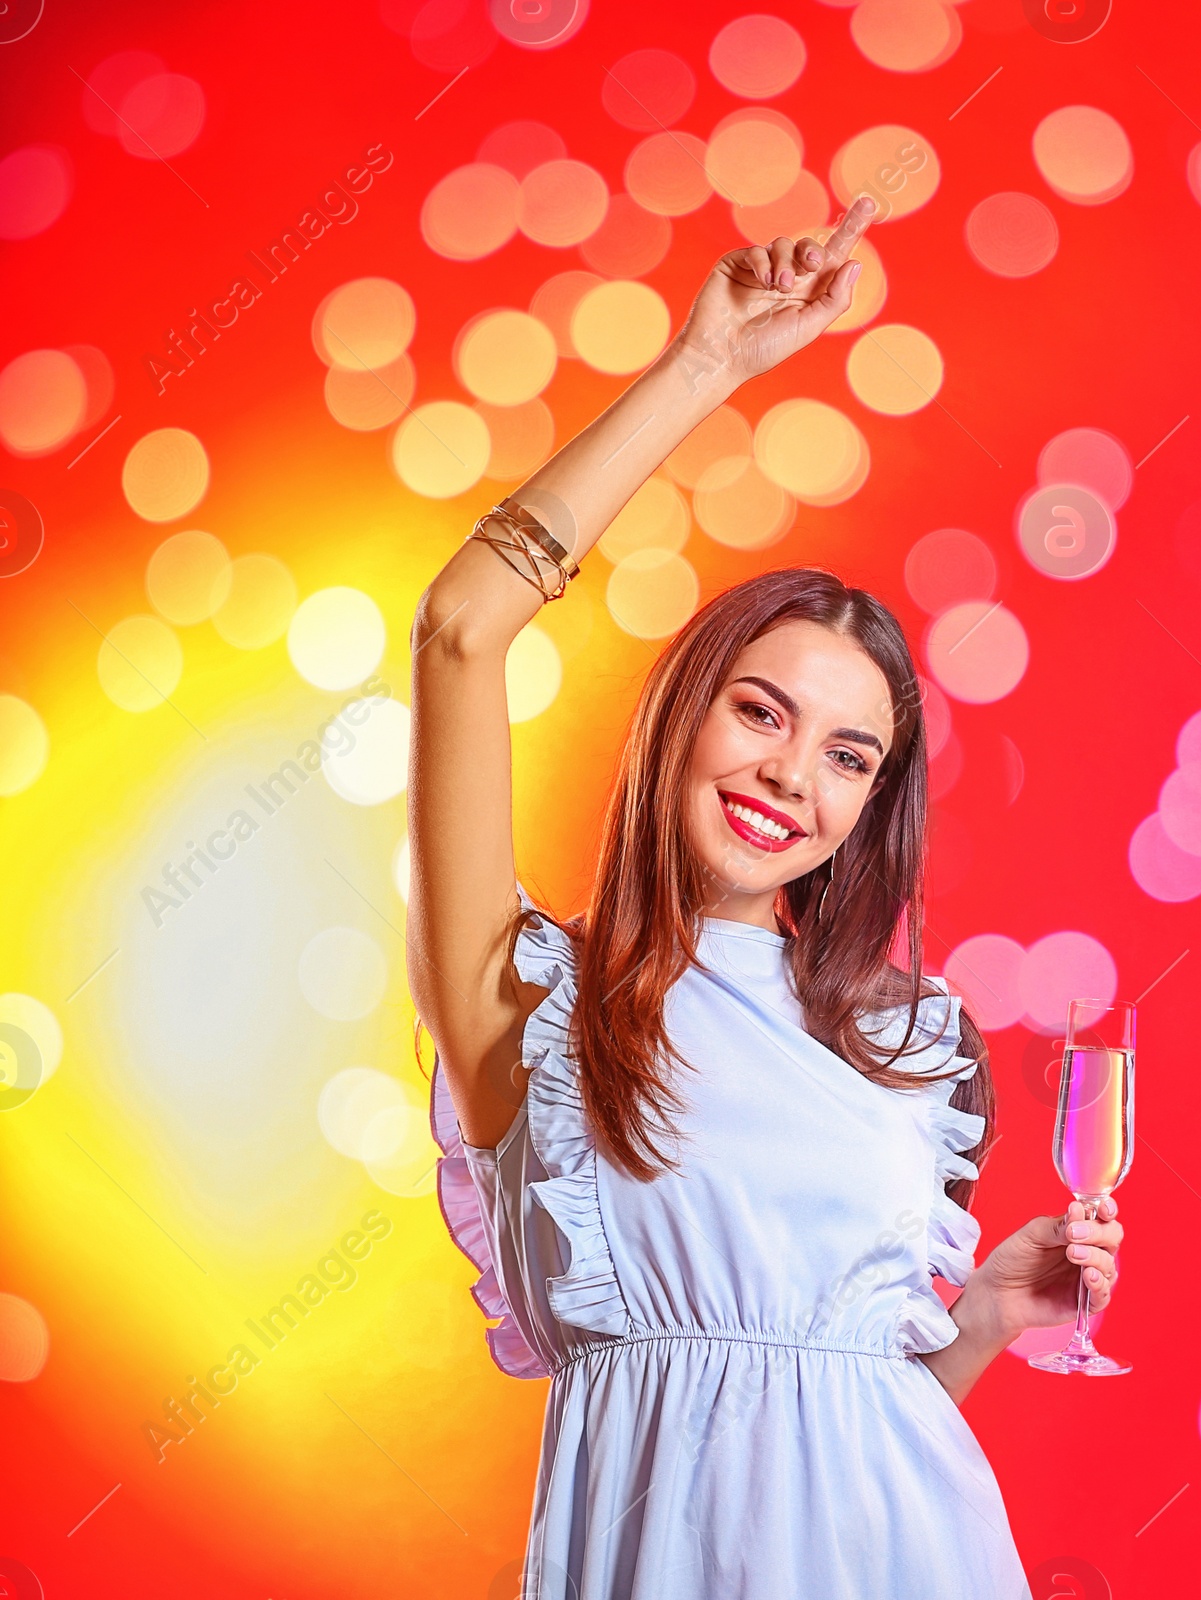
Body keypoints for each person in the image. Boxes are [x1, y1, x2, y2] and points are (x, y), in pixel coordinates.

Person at [408, 195, 1124, 1598]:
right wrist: (706, 364)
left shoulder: (912, 1045)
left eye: (848, 756)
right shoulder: (530, 1006)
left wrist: (980, 1319)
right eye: (760, 711)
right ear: (683, 715)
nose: (792, 774)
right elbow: (455, 630)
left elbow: (851, 1435)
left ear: (869, 810)